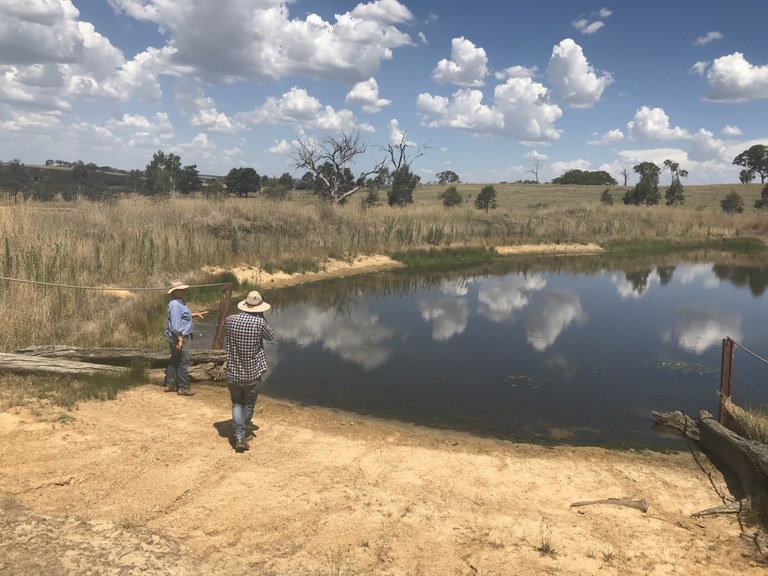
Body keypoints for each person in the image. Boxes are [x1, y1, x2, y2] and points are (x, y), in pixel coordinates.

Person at [224, 290, 274, 453]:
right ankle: (241, 433)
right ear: (259, 308)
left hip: (233, 372)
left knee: (237, 403)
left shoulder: (230, 320)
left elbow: (226, 333)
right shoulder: (259, 323)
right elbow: (270, 336)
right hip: (252, 373)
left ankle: (239, 435)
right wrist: (261, 317)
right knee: (249, 404)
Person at [164, 280, 208, 396]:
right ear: (175, 291)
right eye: (181, 289)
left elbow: (182, 316)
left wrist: (196, 314)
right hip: (179, 336)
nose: (184, 291)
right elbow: (175, 325)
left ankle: (170, 384)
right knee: (183, 361)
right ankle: (183, 387)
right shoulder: (175, 305)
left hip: (177, 336)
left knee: (175, 359)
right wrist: (180, 339)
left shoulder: (178, 302)